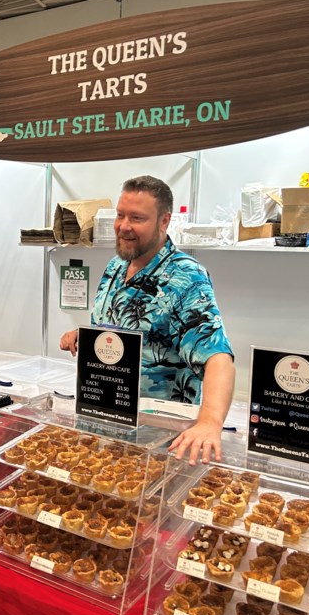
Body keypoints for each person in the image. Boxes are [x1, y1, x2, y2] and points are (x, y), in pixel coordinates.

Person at [59, 175, 235, 466]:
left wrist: (209, 422)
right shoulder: (116, 265)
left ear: (164, 221)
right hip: (103, 422)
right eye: (120, 215)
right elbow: (124, 330)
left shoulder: (186, 276)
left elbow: (218, 357)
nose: (123, 226)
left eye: (137, 218)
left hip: (156, 442)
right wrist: (84, 334)